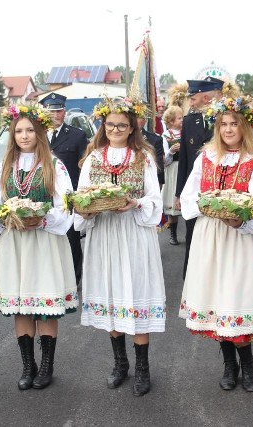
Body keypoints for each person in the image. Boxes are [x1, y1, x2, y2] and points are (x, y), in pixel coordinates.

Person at [179, 96, 253, 392]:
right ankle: (229, 365)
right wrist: (206, 205)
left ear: (245, 127)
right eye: (223, 124)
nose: (229, 129)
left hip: (239, 239)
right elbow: (187, 197)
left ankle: (248, 364)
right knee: (217, 300)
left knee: (237, 299)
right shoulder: (205, 157)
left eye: (234, 124)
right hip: (210, 237)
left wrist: (242, 219)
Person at [76, 97, 166, 397]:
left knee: (138, 292)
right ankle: (120, 363)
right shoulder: (92, 158)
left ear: (132, 128)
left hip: (134, 234)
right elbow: (80, 198)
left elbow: (155, 199)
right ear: (103, 125)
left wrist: (135, 203)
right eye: (111, 124)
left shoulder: (144, 158)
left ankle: (143, 368)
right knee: (113, 292)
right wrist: (86, 211)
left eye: (122, 125)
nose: (115, 129)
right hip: (104, 234)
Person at [0, 104, 77, 391]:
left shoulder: (54, 164)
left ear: (39, 132)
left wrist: (44, 219)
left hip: (45, 242)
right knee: (22, 306)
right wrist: (5, 217)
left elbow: (68, 203)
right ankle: (28, 366)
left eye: (29, 130)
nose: (24, 136)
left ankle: (47, 365)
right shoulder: (4, 167)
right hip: (15, 243)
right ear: (12, 134)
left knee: (46, 306)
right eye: (18, 131)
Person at [175, 77, 224, 279]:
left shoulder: (227, 120)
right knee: (192, 235)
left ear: (205, 97)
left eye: (193, 98)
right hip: (195, 192)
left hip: (222, 188)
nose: (191, 102)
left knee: (220, 240)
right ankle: (190, 281)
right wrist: (179, 194)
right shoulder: (189, 121)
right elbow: (184, 160)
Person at [40, 92, 89, 285]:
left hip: (68, 195)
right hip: (42, 194)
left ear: (64, 112)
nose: (54, 115)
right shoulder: (37, 135)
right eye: (51, 111)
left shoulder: (77, 135)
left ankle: (74, 278)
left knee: (71, 238)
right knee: (47, 238)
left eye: (59, 111)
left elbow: (82, 166)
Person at [161, 105, 183, 245]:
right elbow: (164, 161)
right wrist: (171, 152)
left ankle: (190, 234)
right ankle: (173, 234)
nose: (182, 120)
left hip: (184, 169)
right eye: (179, 118)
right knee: (172, 202)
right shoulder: (166, 136)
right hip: (172, 169)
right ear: (171, 121)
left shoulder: (186, 132)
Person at [137, 113, 165, 186]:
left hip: (149, 182)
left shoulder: (155, 140)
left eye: (138, 117)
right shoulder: (120, 138)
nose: (134, 120)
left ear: (145, 120)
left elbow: (159, 166)